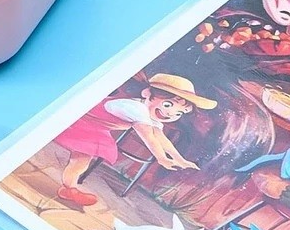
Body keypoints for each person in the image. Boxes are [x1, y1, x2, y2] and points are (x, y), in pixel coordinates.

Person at [52, 74, 217, 207]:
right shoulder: (137, 109)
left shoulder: (148, 113)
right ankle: (69, 188)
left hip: (97, 129)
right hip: (83, 119)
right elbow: (148, 136)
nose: (170, 114)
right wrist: (161, 158)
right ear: (147, 94)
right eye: (168, 105)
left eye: (179, 113)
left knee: (81, 161)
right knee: (78, 158)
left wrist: (180, 159)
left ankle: (69, 189)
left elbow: (160, 137)